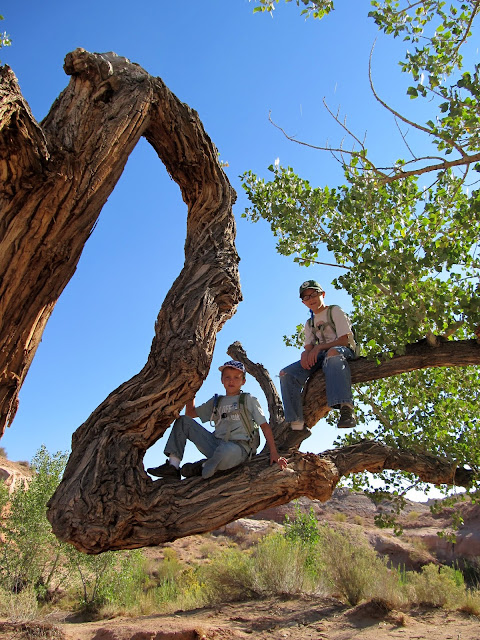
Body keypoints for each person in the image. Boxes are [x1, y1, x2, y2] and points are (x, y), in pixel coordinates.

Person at [147, 360, 288, 480]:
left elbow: (265, 426)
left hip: (239, 448)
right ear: (222, 380)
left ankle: (202, 467)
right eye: (227, 377)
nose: (231, 381)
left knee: (226, 452)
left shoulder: (248, 400)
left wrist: (274, 453)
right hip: (215, 444)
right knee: (183, 421)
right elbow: (190, 414)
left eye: (236, 377)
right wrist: (191, 392)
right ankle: (173, 466)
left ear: (243, 381)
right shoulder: (216, 401)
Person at [280, 280, 356, 431]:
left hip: (342, 351)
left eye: (314, 294)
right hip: (322, 356)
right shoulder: (310, 323)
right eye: (306, 297)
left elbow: (344, 340)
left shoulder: (334, 311)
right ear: (303, 302)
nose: (311, 299)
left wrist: (319, 347)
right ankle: (296, 425)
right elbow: (308, 348)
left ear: (323, 294)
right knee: (286, 374)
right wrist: (305, 354)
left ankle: (346, 408)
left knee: (332, 354)